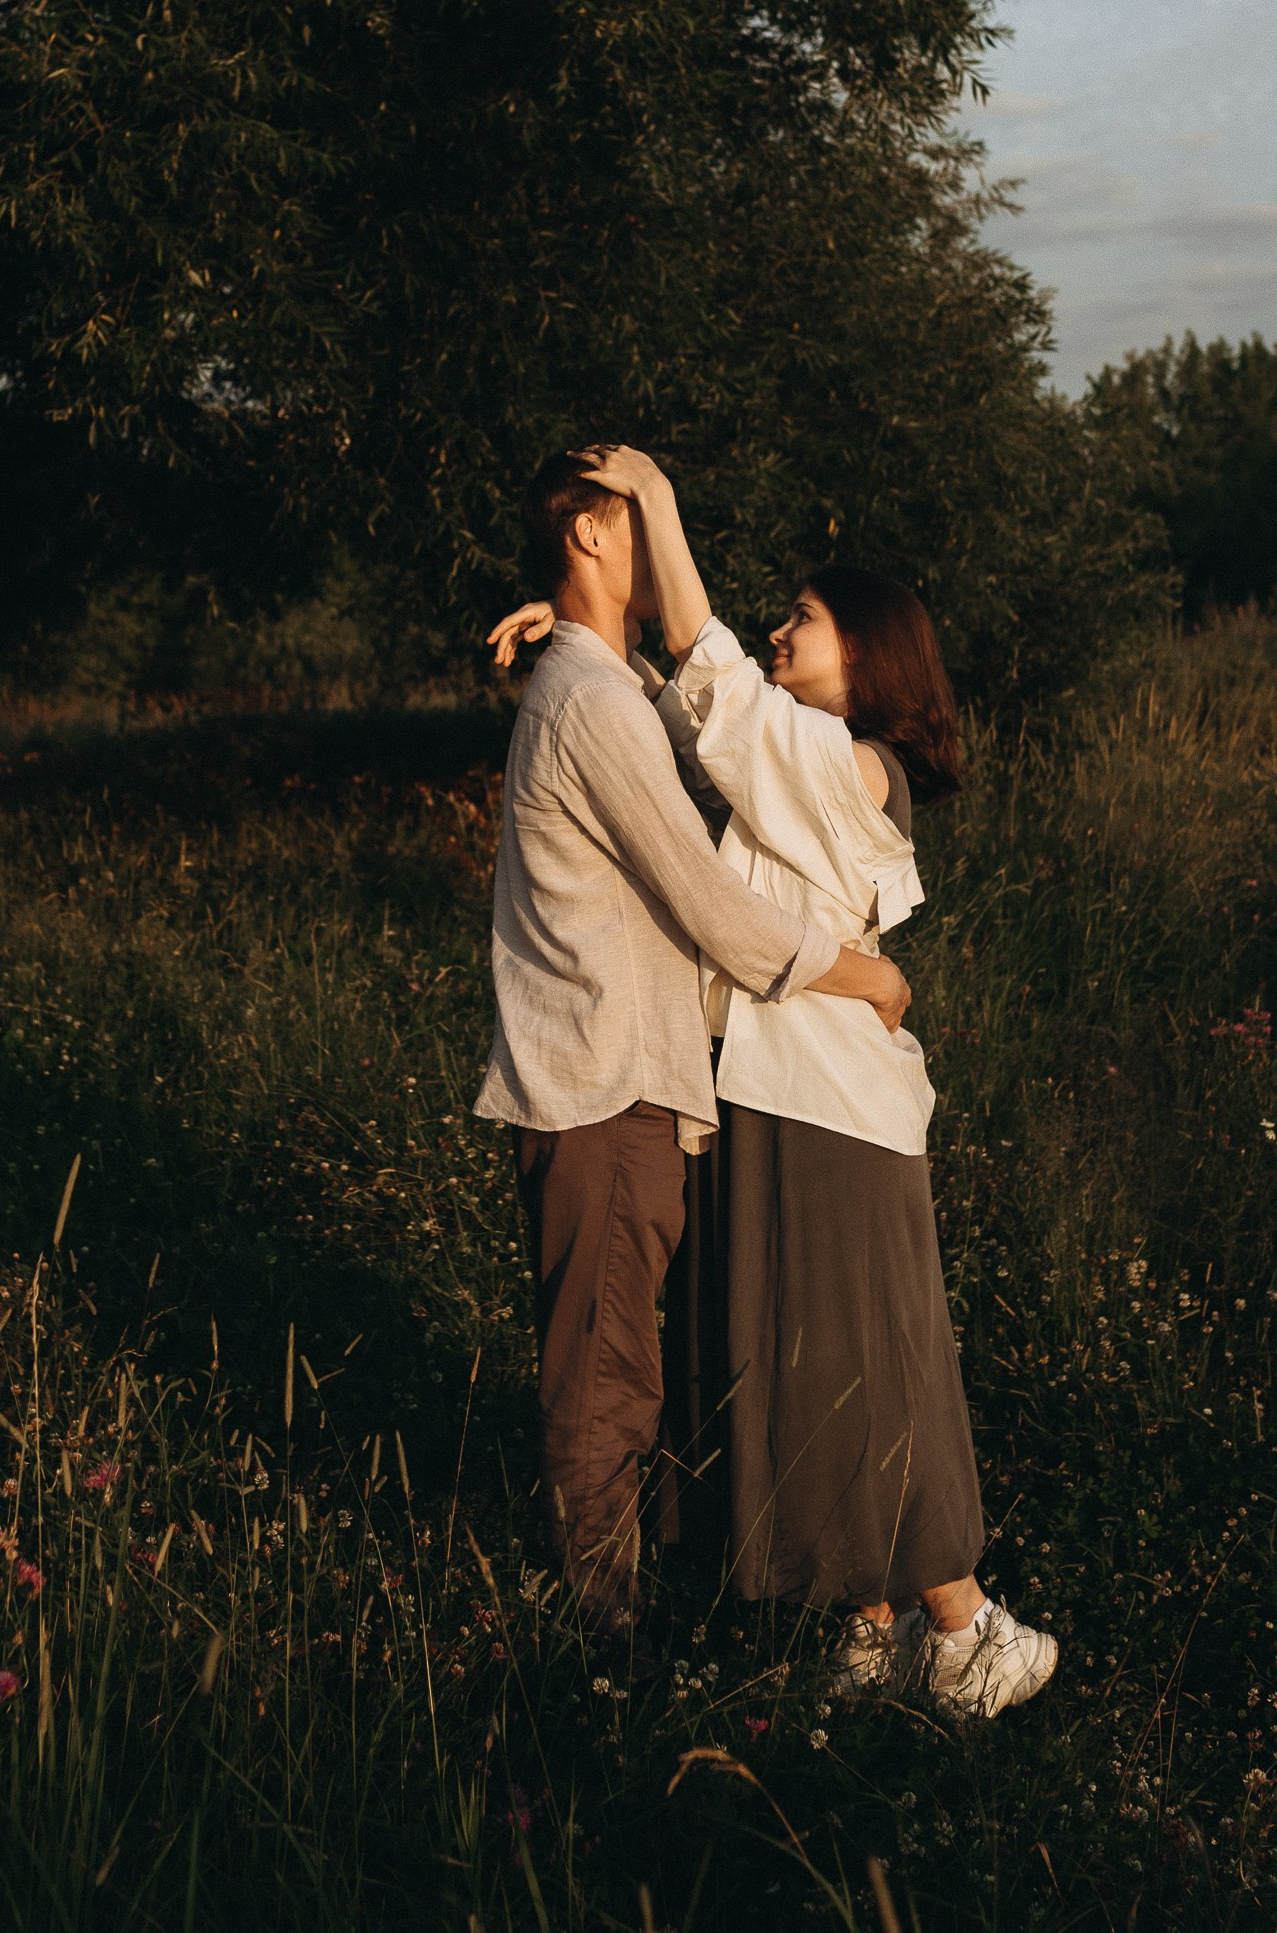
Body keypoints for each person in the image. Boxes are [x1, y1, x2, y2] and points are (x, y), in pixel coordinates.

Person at [489, 449, 1057, 1719]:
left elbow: (730, 718)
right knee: (798, 1362)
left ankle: (967, 1626)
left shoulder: (856, 765)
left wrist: (656, 508)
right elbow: (690, 739)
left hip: (828, 1093)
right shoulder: (802, 757)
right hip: (767, 1087)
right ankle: (869, 1626)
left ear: (869, 657)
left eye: (803, 617)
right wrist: (589, 648)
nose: (779, 628)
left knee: (865, 1353)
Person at [476, 450, 912, 1663]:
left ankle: (611, 1611)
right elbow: (710, 903)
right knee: (607, 1370)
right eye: (632, 520)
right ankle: (601, 1643)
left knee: (611, 1352)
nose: (654, 551)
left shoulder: (588, 687)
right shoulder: (591, 698)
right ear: (590, 537)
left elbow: (665, 734)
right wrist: (866, 974)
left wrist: (584, 644)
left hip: (602, 1074)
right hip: (606, 1080)